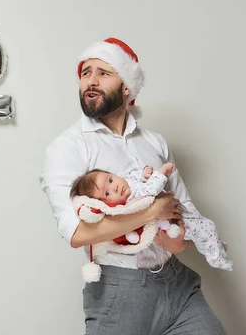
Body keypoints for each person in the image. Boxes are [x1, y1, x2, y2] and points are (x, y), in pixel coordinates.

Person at [39, 37, 227, 334]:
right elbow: (77, 233)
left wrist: (180, 241)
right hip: (118, 293)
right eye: (86, 73)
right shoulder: (68, 148)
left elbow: (184, 208)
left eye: (104, 72)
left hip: (178, 286)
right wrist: (152, 212)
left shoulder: (154, 142)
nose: (91, 80)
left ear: (126, 87)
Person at [70, 163, 232, 283]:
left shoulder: (127, 183)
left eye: (111, 180)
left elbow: (133, 177)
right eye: (107, 193)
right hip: (170, 224)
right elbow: (151, 189)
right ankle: (216, 256)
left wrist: (143, 173)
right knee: (206, 227)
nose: (116, 187)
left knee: (204, 229)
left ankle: (214, 246)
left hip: (176, 217)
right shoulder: (131, 200)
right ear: (106, 204)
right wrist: (160, 173)